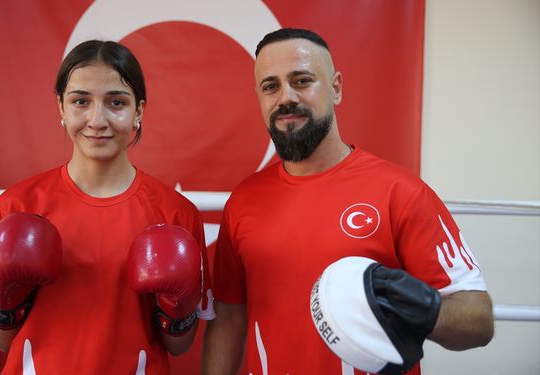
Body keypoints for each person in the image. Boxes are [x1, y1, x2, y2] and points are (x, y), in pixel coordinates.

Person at [202, 28, 494, 374]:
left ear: (336, 87)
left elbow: (479, 319)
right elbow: (229, 320)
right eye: (271, 86)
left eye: (302, 80)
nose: (286, 97)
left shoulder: (400, 192)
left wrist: (425, 311)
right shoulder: (244, 201)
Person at [0, 39, 215, 374]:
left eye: (116, 102)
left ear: (139, 112)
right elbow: (0, 340)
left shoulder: (177, 215)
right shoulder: (16, 205)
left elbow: (181, 344)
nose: (97, 120)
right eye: (81, 101)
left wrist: (176, 310)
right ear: (61, 107)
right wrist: (7, 301)